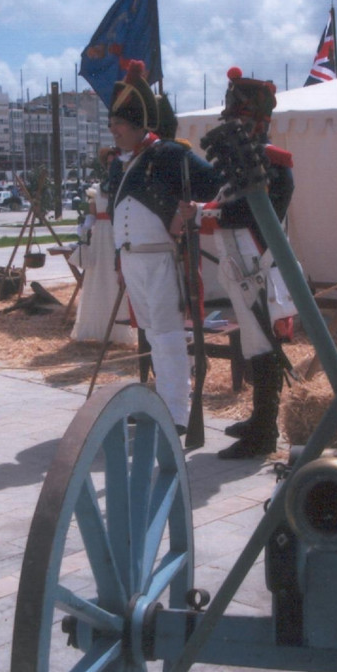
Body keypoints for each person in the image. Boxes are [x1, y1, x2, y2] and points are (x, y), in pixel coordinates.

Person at [105, 60, 224, 432]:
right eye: (111, 125)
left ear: (139, 123)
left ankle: (177, 415)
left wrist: (193, 211)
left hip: (160, 261)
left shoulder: (169, 154)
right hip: (133, 262)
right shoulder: (124, 163)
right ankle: (164, 408)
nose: (114, 132)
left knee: (169, 337)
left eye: (119, 125)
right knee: (154, 338)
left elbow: (212, 184)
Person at [201, 67, 296, 459]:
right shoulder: (238, 162)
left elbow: (250, 213)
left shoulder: (272, 162)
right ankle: (259, 419)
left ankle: (265, 431)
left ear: (258, 120)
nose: (232, 126)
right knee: (254, 343)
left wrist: (206, 216)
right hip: (238, 261)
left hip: (258, 262)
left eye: (239, 119)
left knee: (263, 345)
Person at [69, 177, 135, 345]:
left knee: (117, 276)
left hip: (118, 234)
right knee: (98, 277)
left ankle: (120, 329)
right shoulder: (95, 190)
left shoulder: (124, 186)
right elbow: (92, 216)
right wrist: (84, 229)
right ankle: (97, 328)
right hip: (99, 237)